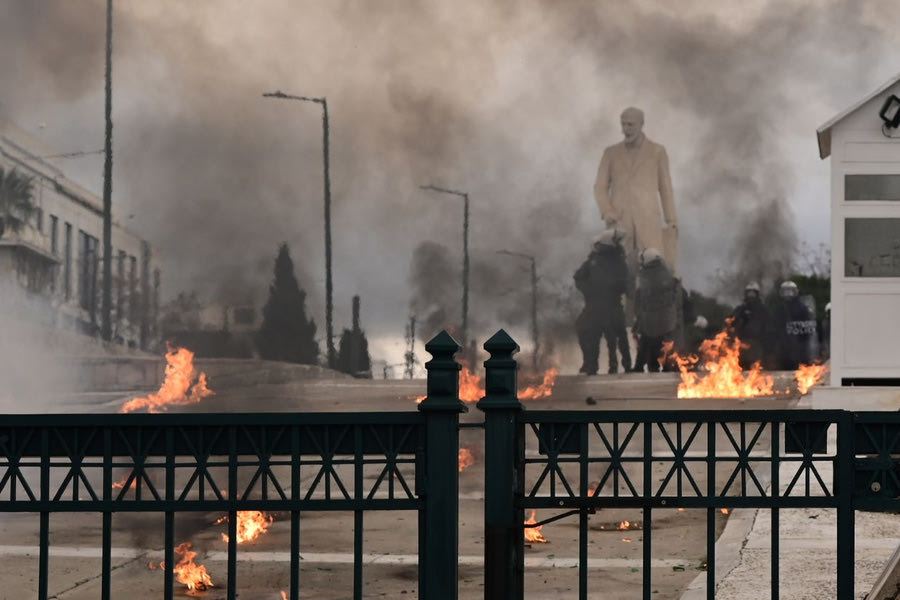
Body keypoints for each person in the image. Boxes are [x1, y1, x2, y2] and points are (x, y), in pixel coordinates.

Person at [593, 107, 678, 283]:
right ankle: (622, 311)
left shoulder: (657, 151)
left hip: (649, 223)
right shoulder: (611, 153)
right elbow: (599, 187)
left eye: (631, 124)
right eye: (623, 124)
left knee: (653, 274)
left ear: (641, 125)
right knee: (619, 276)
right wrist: (607, 211)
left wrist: (671, 220)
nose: (626, 129)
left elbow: (666, 188)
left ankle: (648, 310)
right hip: (620, 223)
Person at [574, 229, 631, 374]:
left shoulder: (606, 261)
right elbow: (579, 277)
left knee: (600, 335)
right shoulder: (609, 261)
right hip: (604, 305)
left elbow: (625, 282)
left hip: (603, 306)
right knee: (612, 336)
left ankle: (595, 366)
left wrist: (589, 291)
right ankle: (622, 365)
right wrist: (589, 291)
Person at [631, 248, 678, 372]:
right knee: (663, 343)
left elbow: (642, 296)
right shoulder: (666, 274)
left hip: (653, 317)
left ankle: (649, 366)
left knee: (651, 342)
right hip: (666, 317)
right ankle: (664, 366)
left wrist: (639, 314)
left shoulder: (648, 275)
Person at [773, 280, 816, 370]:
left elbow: (808, 329)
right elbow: (775, 327)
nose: (788, 294)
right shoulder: (779, 309)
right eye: (786, 291)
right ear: (781, 292)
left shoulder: (803, 308)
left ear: (795, 292)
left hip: (800, 348)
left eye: (791, 291)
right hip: (784, 348)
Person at [731, 281, 774, 370]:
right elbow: (731, 323)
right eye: (749, 293)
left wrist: (767, 344)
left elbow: (769, 327)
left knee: (756, 369)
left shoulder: (763, 309)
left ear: (757, 294)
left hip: (758, 344)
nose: (751, 296)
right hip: (742, 344)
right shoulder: (741, 309)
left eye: (753, 293)